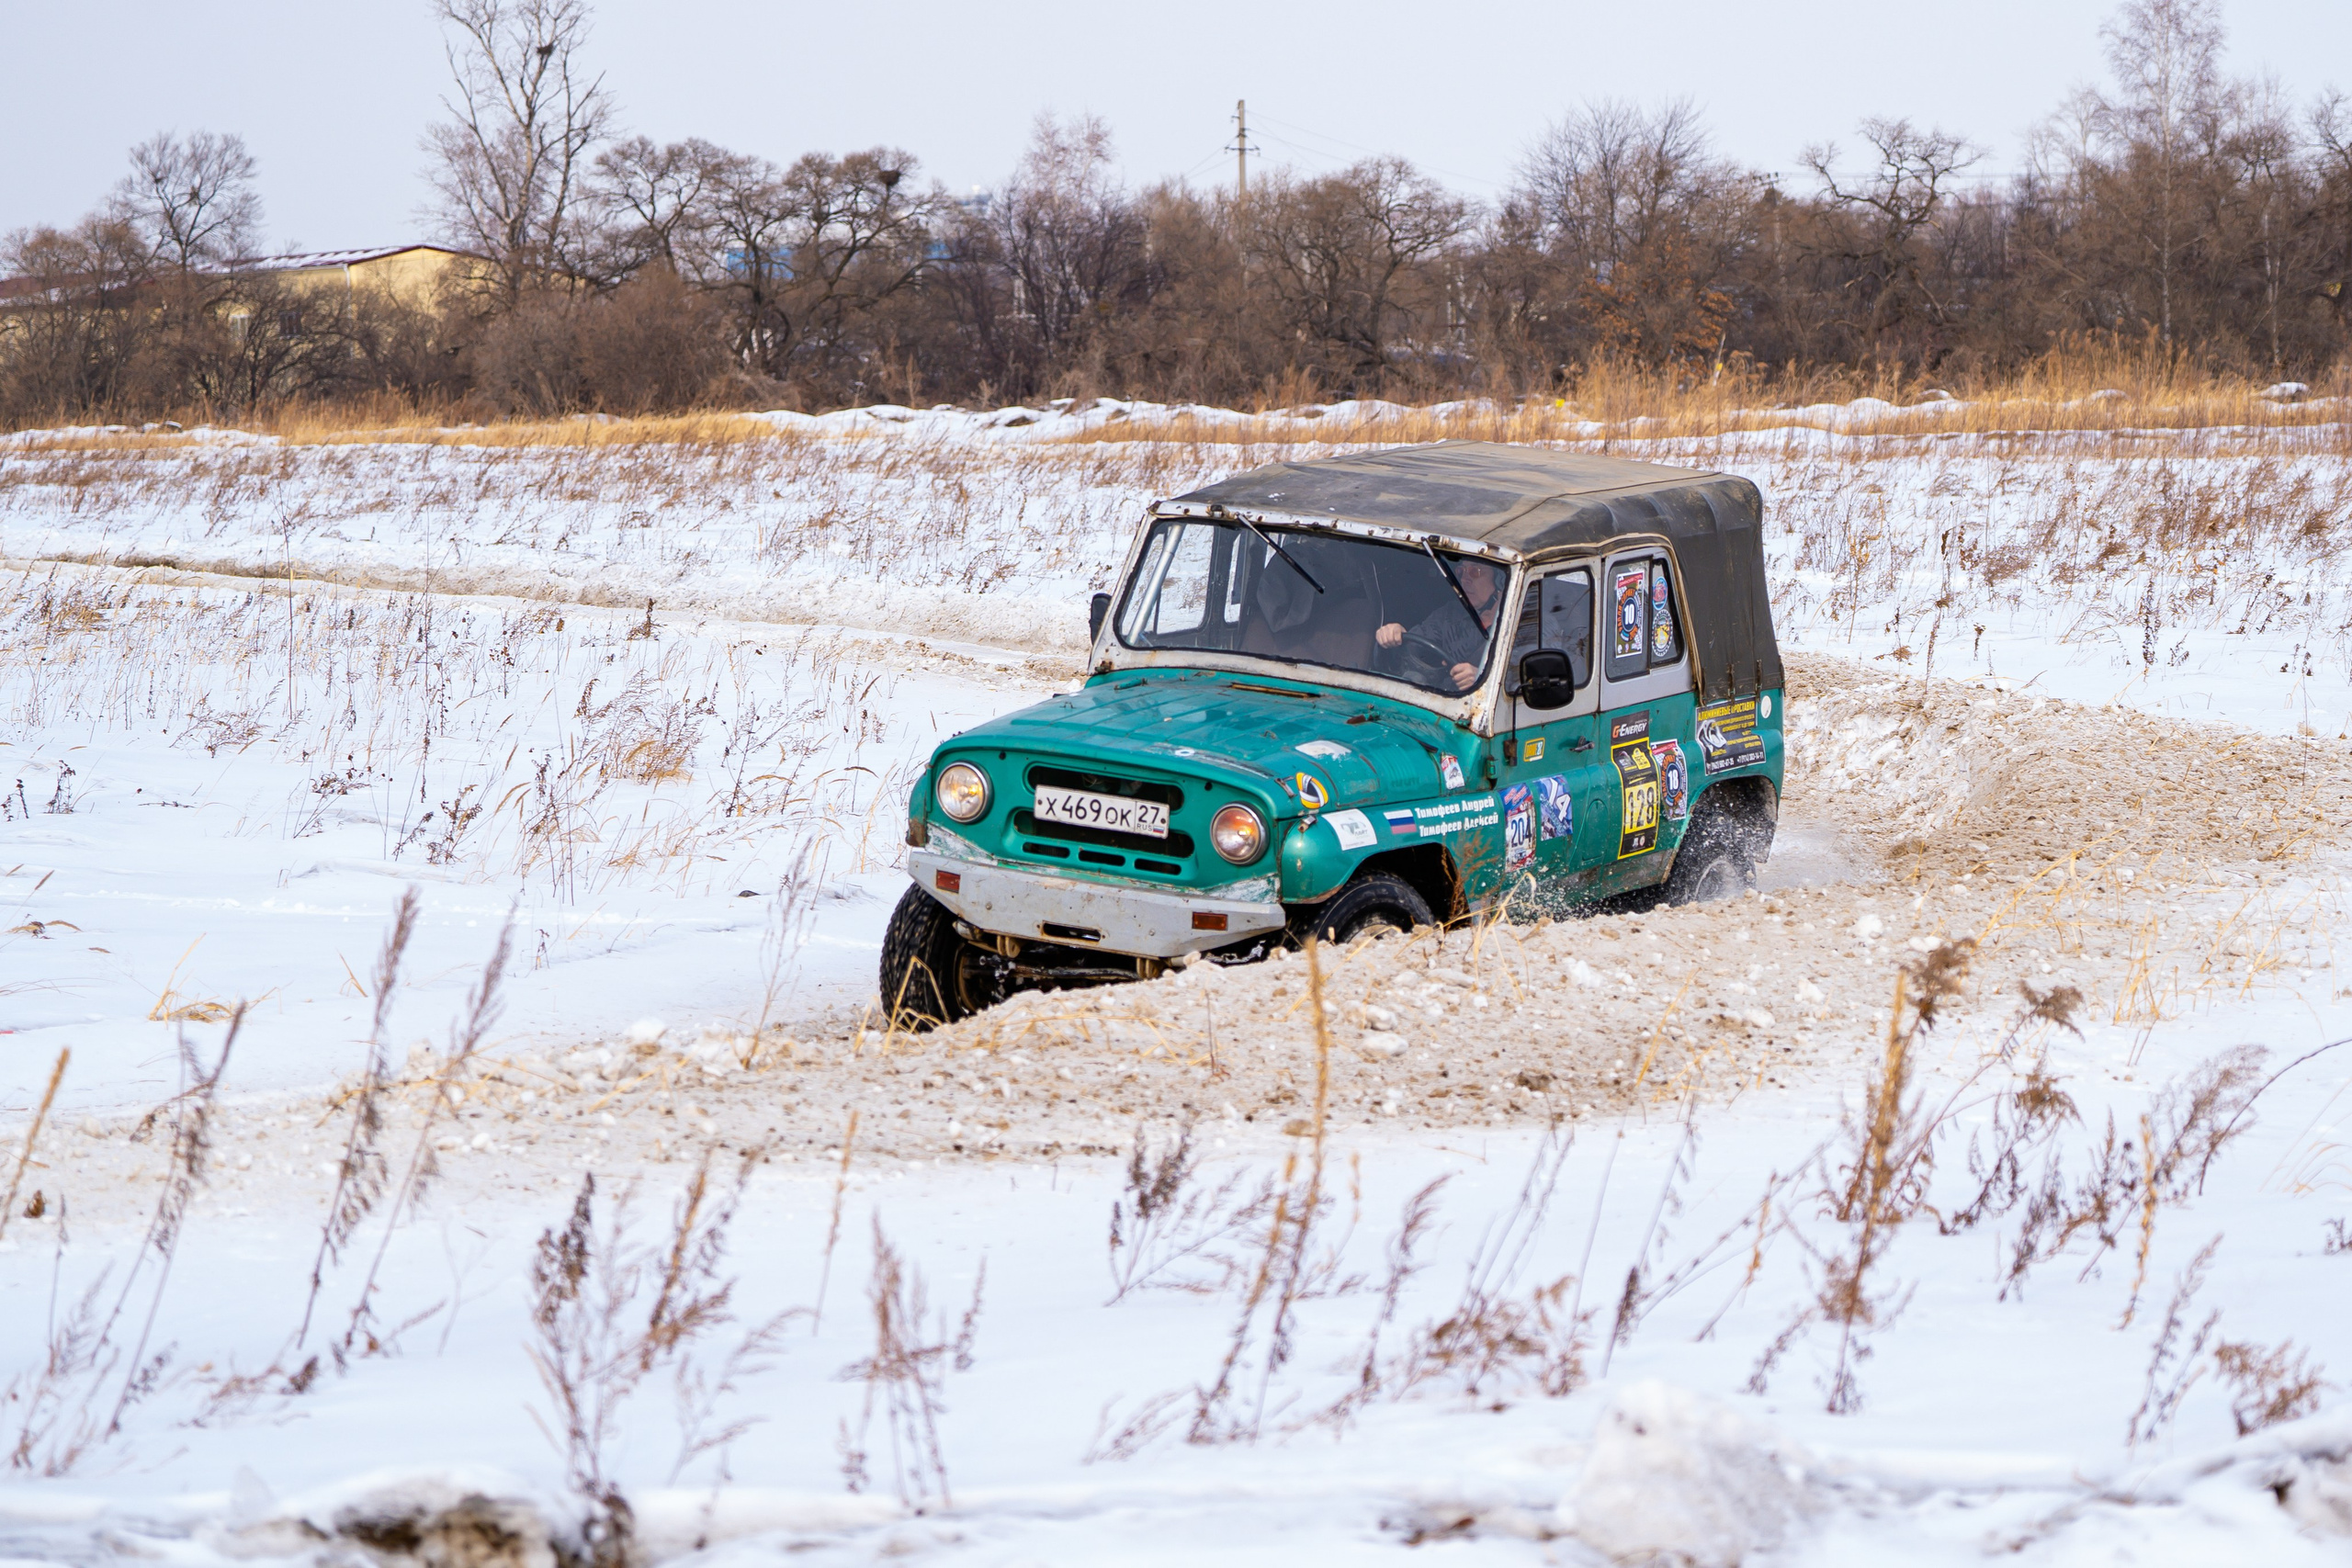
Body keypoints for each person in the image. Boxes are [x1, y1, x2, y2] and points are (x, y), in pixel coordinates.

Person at [1375, 557, 1506, 692]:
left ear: (1500, 581)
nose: (1464, 580)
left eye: (1475, 571)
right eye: (1461, 571)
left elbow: (1517, 681)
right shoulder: (1450, 613)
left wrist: (1484, 680)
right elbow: (1418, 642)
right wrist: (1395, 633)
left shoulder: (1517, 627)